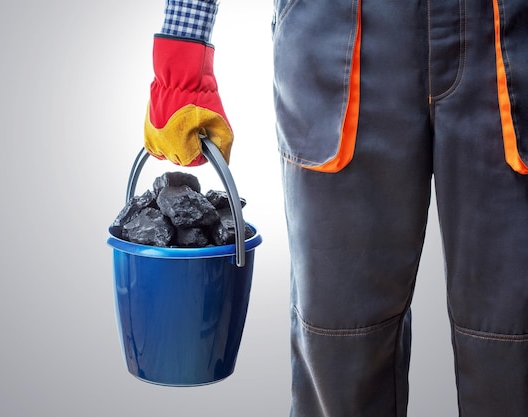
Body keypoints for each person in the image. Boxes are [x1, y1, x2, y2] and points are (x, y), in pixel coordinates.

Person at [143, 1, 528, 416]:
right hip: (339, 35)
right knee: (341, 351)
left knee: (513, 348)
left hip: (510, 37)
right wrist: (182, 58)